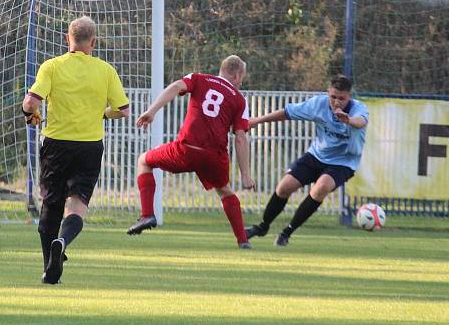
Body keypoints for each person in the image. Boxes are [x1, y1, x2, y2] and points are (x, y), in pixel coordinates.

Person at [22, 16, 129, 284]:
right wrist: (104, 113)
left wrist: (30, 115)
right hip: (89, 147)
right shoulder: (105, 70)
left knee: (51, 203)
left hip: (56, 144)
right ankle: (64, 241)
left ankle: (50, 266)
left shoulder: (52, 66)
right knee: (77, 205)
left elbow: (30, 102)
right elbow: (123, 110)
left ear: (66, 39)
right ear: (93, 42)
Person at [128, 55, 256, 249]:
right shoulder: (240, 100)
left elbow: (175, 87)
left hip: (186, 150)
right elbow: (240, 137)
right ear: (237, 75)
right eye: (242, 78)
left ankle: (147, 215)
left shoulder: (198, 78)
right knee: (224, 191)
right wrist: (245, 174)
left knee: (144, 161)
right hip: (215, 157)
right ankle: (243, 241)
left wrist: (152, 111)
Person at [244, 74, 369, 247]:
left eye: (342, 98)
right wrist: (258, 120)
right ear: (328, 94)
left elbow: (361, 122)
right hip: (316, 155)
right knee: (284, 187)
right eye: (333, 97)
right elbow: (287, 113)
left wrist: (348, 120)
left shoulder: (358, 109)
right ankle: (263, 227)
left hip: (344, 161)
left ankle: (287, 232)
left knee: (321, 188)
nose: (337, 102)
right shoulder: (318, 104)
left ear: (349, 96)